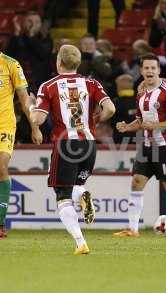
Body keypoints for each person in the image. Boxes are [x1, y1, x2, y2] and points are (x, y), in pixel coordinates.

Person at [30, 44, 116, 254]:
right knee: (77, 185)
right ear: (78, 63)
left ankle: (80, 242)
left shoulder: (48, 86)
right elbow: (111, 109)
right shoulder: (91, 83)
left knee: (63, 196)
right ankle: (83, 193)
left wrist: (32, 106)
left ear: (58, 61)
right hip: (88, 143)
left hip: (66, 144)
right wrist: (96, 119)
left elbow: (38, 119)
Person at [112, 53, 166, 238]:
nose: (149, 71)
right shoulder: (141, 93)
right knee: (136, 183)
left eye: (153, 68)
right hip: (147, 147)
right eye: (146, 68)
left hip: (164, 147)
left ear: (159, 70)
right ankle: (132, 229)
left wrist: (156, 126)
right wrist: (127, 127)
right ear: (141, 71)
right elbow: (140, 121)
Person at [0, 52, 42, 239]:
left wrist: (35, 127)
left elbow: (25, 100)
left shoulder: (11, 64)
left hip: (4, 125)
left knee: (1, 166)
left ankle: (0, 222)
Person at [6, 11, 53, 93]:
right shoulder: (17, 39)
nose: (33, 25)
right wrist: (16, 33)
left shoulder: (46, 39)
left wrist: (31, 36)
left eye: (37, 22)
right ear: (23, 23)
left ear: (41, 24)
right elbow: (8, 57)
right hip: (20, 83)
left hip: (40, 84)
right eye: (30, 21)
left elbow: (43, 54)